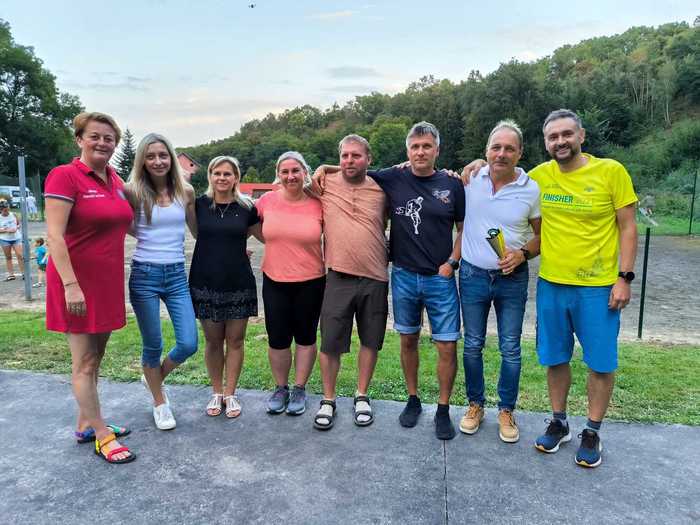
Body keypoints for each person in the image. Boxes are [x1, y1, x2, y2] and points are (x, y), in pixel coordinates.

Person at [462, 109, 638, 466]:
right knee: (556, 358)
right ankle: (559, 422)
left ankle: (592, 430)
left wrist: (625, 277)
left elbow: (628, 227)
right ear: (545, 143)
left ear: (581, 136)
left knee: (600, 362)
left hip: (597, 286)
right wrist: (477, 164)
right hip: (552, 283)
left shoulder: (611, 171)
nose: (561, 141)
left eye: (567, 134)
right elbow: (501, 168)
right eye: (553, 137)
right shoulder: (539, 177)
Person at [316, 122, 465, 440]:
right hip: (403, 275)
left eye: (426, 146)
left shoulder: (451, 184)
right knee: (407, 340)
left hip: (438, 279)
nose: (420, 152)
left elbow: (464, 228)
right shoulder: (393, 177)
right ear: (407, 151)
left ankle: (442, 409)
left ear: (437, 150)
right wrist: (324, 167)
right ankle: (412, 400)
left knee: (447, 345)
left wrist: (452, 262)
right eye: (415, 147)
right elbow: (352, 167)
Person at [44, 111, 135, 464]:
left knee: (96, 358)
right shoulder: (64, 176)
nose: (102, 143)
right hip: (75, 285)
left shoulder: (115, 180)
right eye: (94, 136)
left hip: (106, 284)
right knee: (83, 362)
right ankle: (102, 435)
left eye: (109, 138)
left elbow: (130, 223)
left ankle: (86, 424)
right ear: (79, 139)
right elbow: (54, 236)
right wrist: (71, 286)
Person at [457, 121, 541, 443]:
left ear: (520, 153)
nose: (502, 154)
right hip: (473, 275)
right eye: (496, 147)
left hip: (512, 278)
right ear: (486, 151)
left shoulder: (531, 189)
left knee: (510, 348)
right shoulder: (470, 178)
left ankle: (506, 410)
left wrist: (522, 254)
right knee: (472, 344)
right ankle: (475, 405)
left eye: (509, 148)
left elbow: (541, 237)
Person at [311, 135, 388, 430]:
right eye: (344, 156)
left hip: (375, 276)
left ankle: (362, 395)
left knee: (371, 340)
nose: (349, 161)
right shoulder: (325, 183)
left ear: (369, 159)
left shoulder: (383, 186)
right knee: (330, 341)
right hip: (338, 275)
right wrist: (324, 167)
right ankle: (328, 399)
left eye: (356, 155)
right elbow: (290, 180)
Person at [124, 133, 198, 430]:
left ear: (171, 158)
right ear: (142, 160)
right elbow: (121, 223)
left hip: (177, 275)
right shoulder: (132, 192)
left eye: (163, 155)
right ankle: (160, 403)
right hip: (144, 275)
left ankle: (153, 377)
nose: (158, 161)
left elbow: (199, 232)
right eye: (151, 156)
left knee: (189, 343)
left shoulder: (186, 192)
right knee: (152, 344)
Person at [189, 156, 262, 419]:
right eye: (217, 173)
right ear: (210, 176)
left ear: (236, 178)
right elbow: (197, 234)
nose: (222, 178)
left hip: (238, 281)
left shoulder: (247, 207)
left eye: (227, 174)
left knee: (236, 340)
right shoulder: (198, 205)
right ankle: (216, 392)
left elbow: (265, 235)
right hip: (205, 280)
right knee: (212, 341)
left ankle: (230, 394)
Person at [257, 151, 325, 417]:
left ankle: (299, 388)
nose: (290, 176)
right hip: (274, 279)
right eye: (284, 171)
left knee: (306, 336)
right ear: (278, 174)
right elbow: (247, 225)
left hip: (311, 280)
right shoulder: (266, 201)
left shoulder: (319, 202)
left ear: (305, 172)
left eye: (295, 170)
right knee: (278, 338)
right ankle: (281, 388)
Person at [0, 199, 25, 281]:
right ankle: (11, 275)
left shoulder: (13, 214)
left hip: (16, 238)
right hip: (5, 239)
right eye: (4, 210)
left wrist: (16, 228)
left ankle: (24, 273)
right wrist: (7, 230)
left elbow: (18, 224)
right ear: (1, 210)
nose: (6, 211)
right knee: (8, 257)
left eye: (7, 208)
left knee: (20, 255)